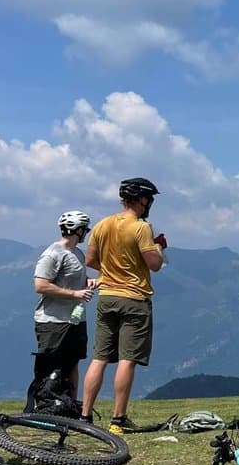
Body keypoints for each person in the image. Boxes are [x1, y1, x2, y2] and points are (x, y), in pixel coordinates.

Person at [81, 177, 166, 433]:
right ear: (141, 200)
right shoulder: (141, 228)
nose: (150, 203)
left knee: (99, 358)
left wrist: (111, 270)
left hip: (106, 296)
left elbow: (91, 260)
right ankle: (118, 419)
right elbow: (155, 264)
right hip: (134, 298)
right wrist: (159, 247)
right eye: (149, 199)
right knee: (127, 360)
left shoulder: (101, 225)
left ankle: (84, 416)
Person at [26, 211, 94, 413]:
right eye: (85, 229)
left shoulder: (78, 254)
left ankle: (70, 406)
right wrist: (75, 294)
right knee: (49, 366)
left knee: (72, 363)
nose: (86, 234)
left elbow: (74, 280)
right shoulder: (53, 254)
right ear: (78, 230)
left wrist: (87, 282)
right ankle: (44, 406)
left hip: (75, 318)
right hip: (52, 320)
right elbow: (40, 285)